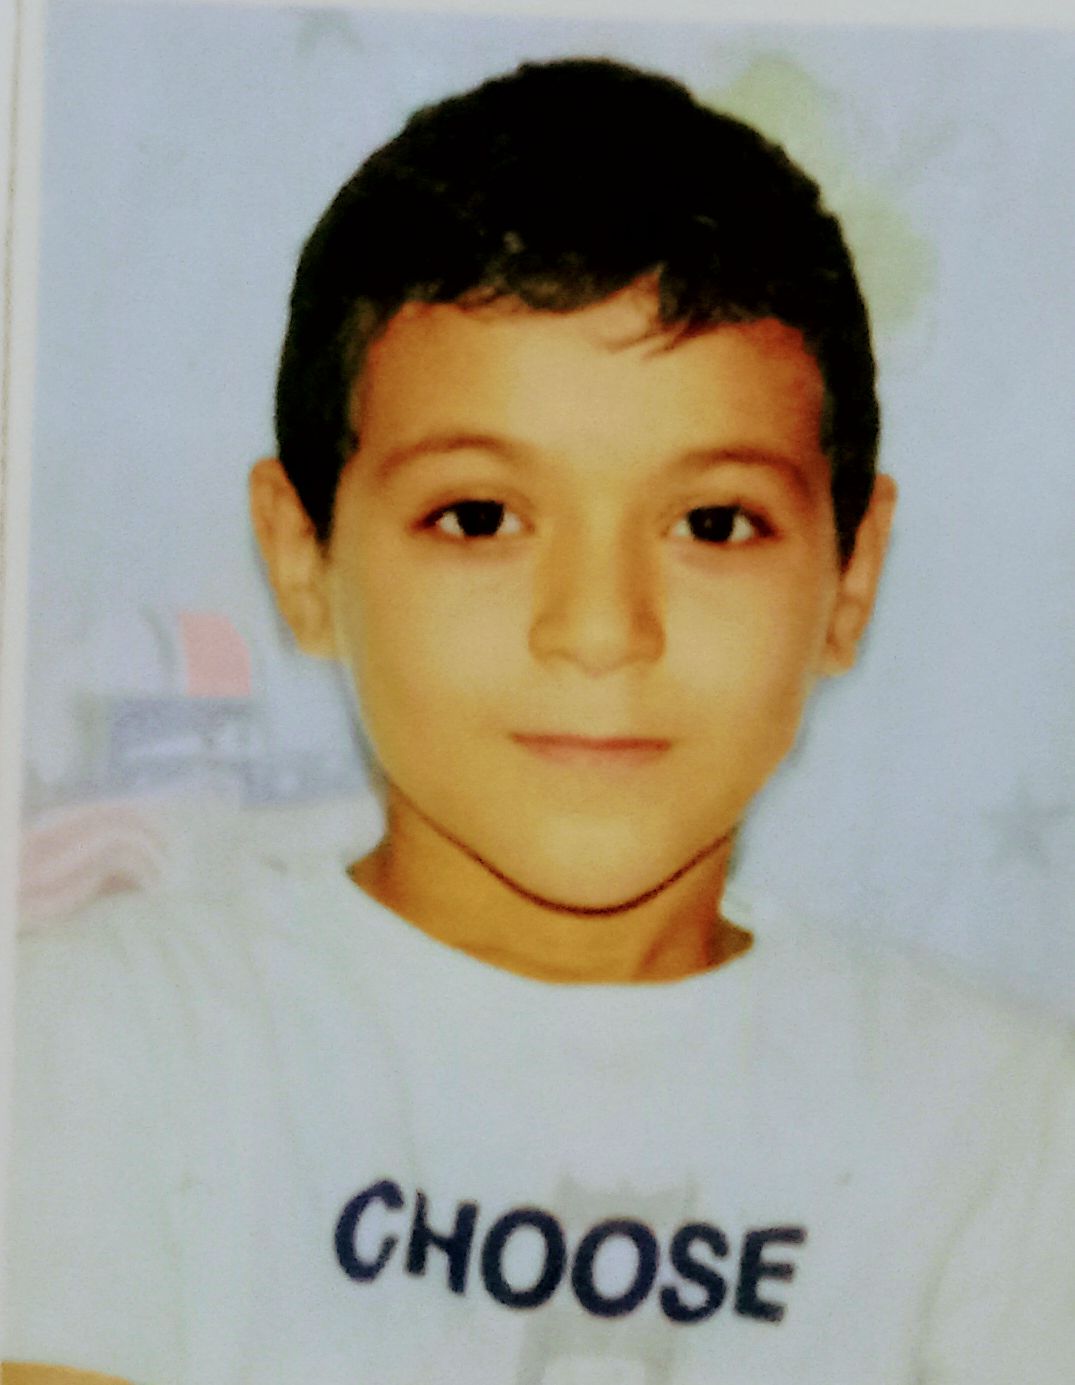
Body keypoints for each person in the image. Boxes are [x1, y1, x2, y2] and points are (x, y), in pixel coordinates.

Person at [5, 57, 1073, 1385]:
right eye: (479, 517)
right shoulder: (102, 1040)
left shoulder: (999, 1127)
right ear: (302, 558)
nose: (599, 629)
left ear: (849, 579)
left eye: (713, 523)